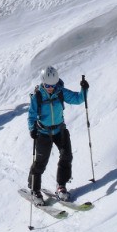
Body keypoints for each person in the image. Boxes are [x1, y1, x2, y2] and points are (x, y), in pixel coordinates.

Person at [27, 65, 89, 204]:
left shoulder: (60, 92)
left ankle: (61, 186)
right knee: (41, 163)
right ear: (43, 82)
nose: (51, 88)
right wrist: (32, 129)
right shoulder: (37, 96)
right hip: (43, 132)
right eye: (48, 85)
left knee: (67, 156)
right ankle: (34, 189)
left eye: (53, 85)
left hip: (60, 130)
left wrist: (84, 89)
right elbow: (31, 116)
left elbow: (78, 99)